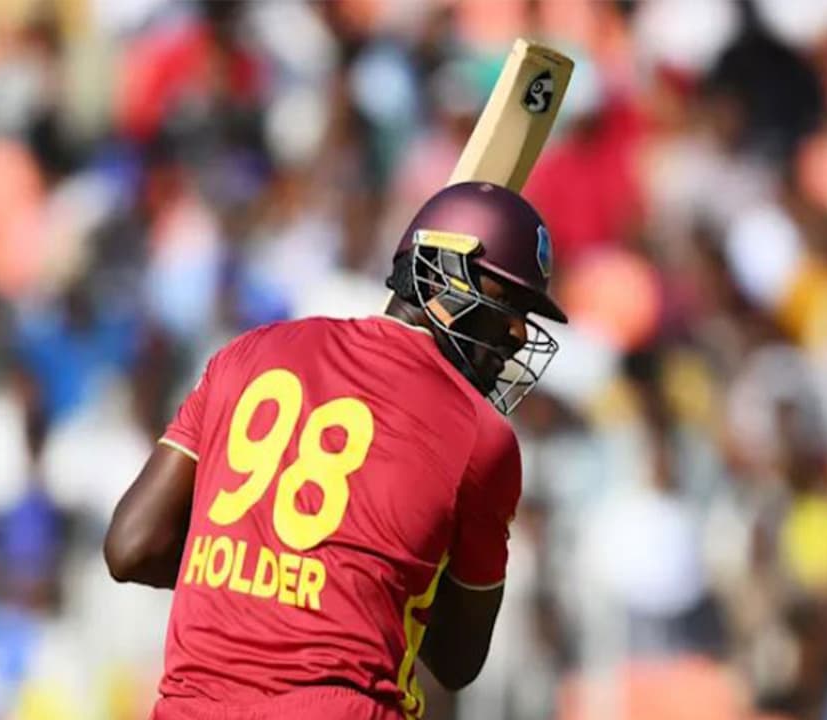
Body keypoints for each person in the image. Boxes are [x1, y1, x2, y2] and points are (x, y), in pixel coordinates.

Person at [104, 182, 567, 719]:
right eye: (507, 301)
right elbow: (457, 658)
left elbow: (132, 546)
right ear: (443, 276)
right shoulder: (482, 436)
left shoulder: (245, 354)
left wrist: (260, 578)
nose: (516, 332)